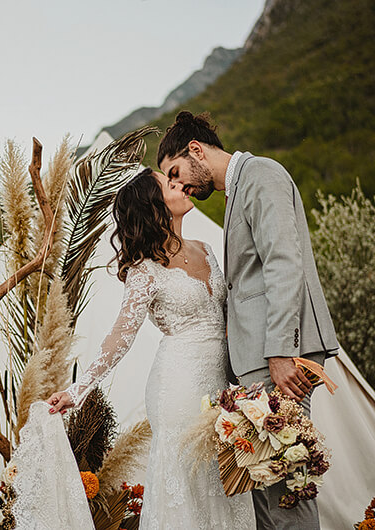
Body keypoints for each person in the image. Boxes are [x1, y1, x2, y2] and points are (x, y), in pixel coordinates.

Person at [157, 111, 339, 530]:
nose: (180, 185)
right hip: (260, 360)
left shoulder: (260, 174)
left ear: (196, 150)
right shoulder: (237, 190)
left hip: (281, 357)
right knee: (266, 486)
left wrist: (280, 350)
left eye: (177, 172)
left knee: (287, 491)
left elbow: (283, 263)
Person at [47, 166, 254, 529]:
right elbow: (121, 334)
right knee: (188, 484)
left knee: (224, 483)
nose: (179, 184)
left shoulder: (206, 250)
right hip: (178, 386)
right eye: (167, 183)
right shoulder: (145, 270)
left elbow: (228, 318)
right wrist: (78, 389)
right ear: (153, 205)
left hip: (221, 384)